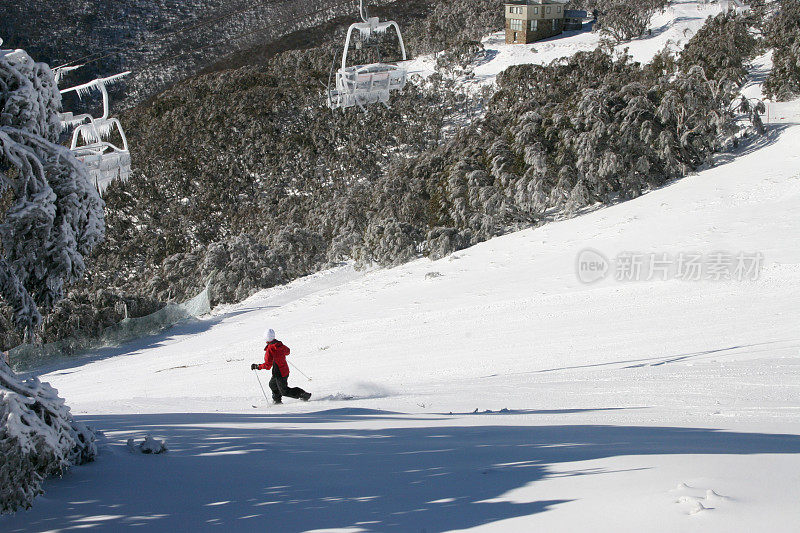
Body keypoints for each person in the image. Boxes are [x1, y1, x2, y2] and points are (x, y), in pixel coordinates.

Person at [251, 329, 311, 404]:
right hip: (283, 370)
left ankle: (303, 394)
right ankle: (277, 400)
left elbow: (268, 365)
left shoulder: (270, 349)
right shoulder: (280, 345)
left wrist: (257, 366)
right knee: (272, 384)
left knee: (284, 391)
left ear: (266, 338)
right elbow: (288, 351)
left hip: (279, 373)